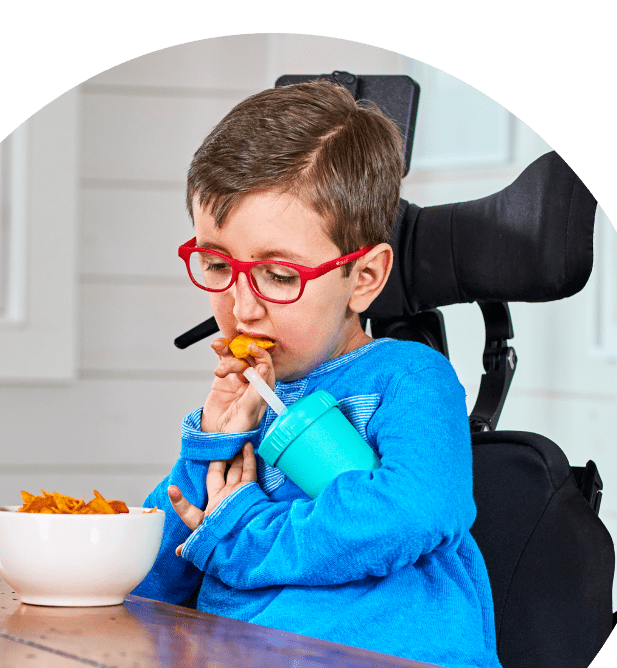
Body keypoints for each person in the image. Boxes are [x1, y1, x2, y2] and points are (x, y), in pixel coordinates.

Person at [132, 79, 502, 668]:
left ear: (363, 279)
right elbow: (154, 574)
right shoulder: (249, 394)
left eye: (279, 276)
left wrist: (242, 534)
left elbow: (414, 509)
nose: (242, 306)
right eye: (217, 264)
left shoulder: (411, 380)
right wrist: (212, 440)